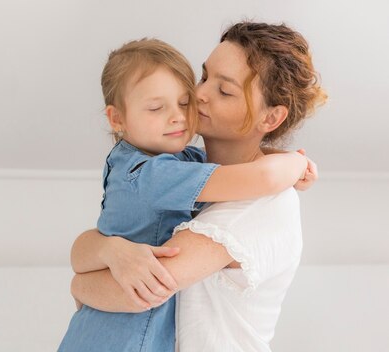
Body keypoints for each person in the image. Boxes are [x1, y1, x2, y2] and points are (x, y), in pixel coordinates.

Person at [67, 22, 326, 351]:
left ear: (270, 119)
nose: (198, 94)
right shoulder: (184, 168)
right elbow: (91, 243)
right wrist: (108, 250)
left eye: (224, 90)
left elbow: (138, 291)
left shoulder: (257, 206)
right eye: (204, 77)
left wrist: (79, 282)